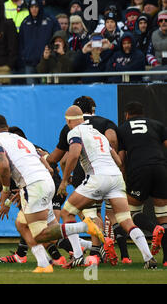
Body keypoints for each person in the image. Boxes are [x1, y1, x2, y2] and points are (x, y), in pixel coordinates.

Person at [0, 114, 102, 272]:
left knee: (40, 234)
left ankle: (84, 226)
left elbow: (4, 165)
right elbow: (44, 162)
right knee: (22, 223)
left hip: (34, 185)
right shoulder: (19, 139)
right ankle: (43, 263)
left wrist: (6, 190)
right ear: (6, 126)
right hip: (46, 181)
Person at [56, 105, 156, 269]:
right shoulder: (98, 134)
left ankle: (78, 256)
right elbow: (118, 161)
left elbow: (73, 154)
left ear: (68, 121)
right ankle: (149, 257)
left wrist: (64, 180)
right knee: (125, 220)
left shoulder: (74, 132)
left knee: (67, 212)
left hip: (97, 177)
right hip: (115, 178)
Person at [45, 96, 121, 263]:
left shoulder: (71, 129)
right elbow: (113, 141)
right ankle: (101, 250)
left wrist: (63, 177)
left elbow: (62, 158)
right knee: (119, 216)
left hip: (87, 175)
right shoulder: (104, 123)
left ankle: (81, 254)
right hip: (113, 174)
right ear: (92, 109)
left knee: (75, 212)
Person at [117, 101, 167, 267]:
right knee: (163, 216)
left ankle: (153, 230)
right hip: (160, 168)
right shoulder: (157, 125)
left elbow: (122, 158)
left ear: (127, 115)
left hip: (139, 171)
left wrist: (123, 179)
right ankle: (166, 260)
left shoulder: (123, 128)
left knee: (131, 213)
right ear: (143, 114)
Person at [18, 0, 60, 84]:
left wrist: (51, 55)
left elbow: (58, 39)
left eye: (36, 7)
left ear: (40, 7)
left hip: (45, 63)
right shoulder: (25, 22)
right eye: (32, 7)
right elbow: (20, 43)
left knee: (45, 92)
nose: (34, 9)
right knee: (31, 92)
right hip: (29, 64)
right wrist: (24, 56)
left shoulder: (50, 20)